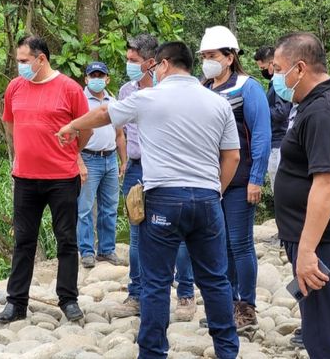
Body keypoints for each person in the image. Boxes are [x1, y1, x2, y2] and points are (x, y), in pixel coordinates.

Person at [57, 41, 241, 359]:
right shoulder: (217, 103)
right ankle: (227, 351)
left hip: (163, 199)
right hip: (207, 199)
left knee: (156, 283)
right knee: (215, 280)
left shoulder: (147, 98)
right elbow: (233, 156)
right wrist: (216, 191)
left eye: (153, 66)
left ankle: (153, 353)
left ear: (164, 64)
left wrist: (73, 126)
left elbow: (104, 113)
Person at [272, 32, 330, 358]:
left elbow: (326, 183)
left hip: (325, 240)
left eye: (278, 69)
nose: (275, 77)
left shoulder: (321, 112)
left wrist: (307, 250)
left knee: (323, 336)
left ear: (299, 68)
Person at [0, 36, 92, 324]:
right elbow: (10, 123)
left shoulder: (70, 89)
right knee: (24, 241)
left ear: (41, 59)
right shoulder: (15, 87)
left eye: (24, 61)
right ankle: (16, 303)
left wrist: (72, 153)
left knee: (66, 240)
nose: (20, 66)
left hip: (62, 177)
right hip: (25, 178)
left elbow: (86, 128)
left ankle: (68, 299)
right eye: (18, 61)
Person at [112, 34, 196, 322]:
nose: (129, 65)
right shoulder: (126, 91)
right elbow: (120, 129)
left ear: (152, 62)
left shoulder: (169, 90)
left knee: (179, 233)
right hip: (136, 168)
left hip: (169, 170)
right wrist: (124, 160)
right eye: (127, 59)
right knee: (136, 235)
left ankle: (185, 293)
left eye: (133, 60)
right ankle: (136, 294)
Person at [198, 25, 271, 329]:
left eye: (212, 55)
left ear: (230, 57)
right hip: (210, 181)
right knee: (220, 246)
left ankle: (246, 307)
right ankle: (226, 304)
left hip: (240, 181)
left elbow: (261, 135)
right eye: (204, 56)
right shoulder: (202, 88)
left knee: (240, 244)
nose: (207, 61)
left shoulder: (247, 87)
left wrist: (256, 178)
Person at [77, 61, 127, 269]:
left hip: (110, 159)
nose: (96, 79)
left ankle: (106, 250)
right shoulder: (79, 100)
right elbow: (73, 135)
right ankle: (87, 251)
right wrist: (78, 161)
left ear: (107, 79)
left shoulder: (113, 102)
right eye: (93, 76)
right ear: (86, 79)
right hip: (88, 158)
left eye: (100, 75)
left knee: (109, 207)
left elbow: (119, 134)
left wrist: (123, 160)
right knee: (85, 208)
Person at [254, 46, 292, 189]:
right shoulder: (274, 84)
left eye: (263, 67)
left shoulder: (279, 84)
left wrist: (261, 109)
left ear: (272, 64)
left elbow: (281, 112)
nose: (262, 71)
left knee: (279, 188)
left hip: (279, 142)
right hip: (276, 141)